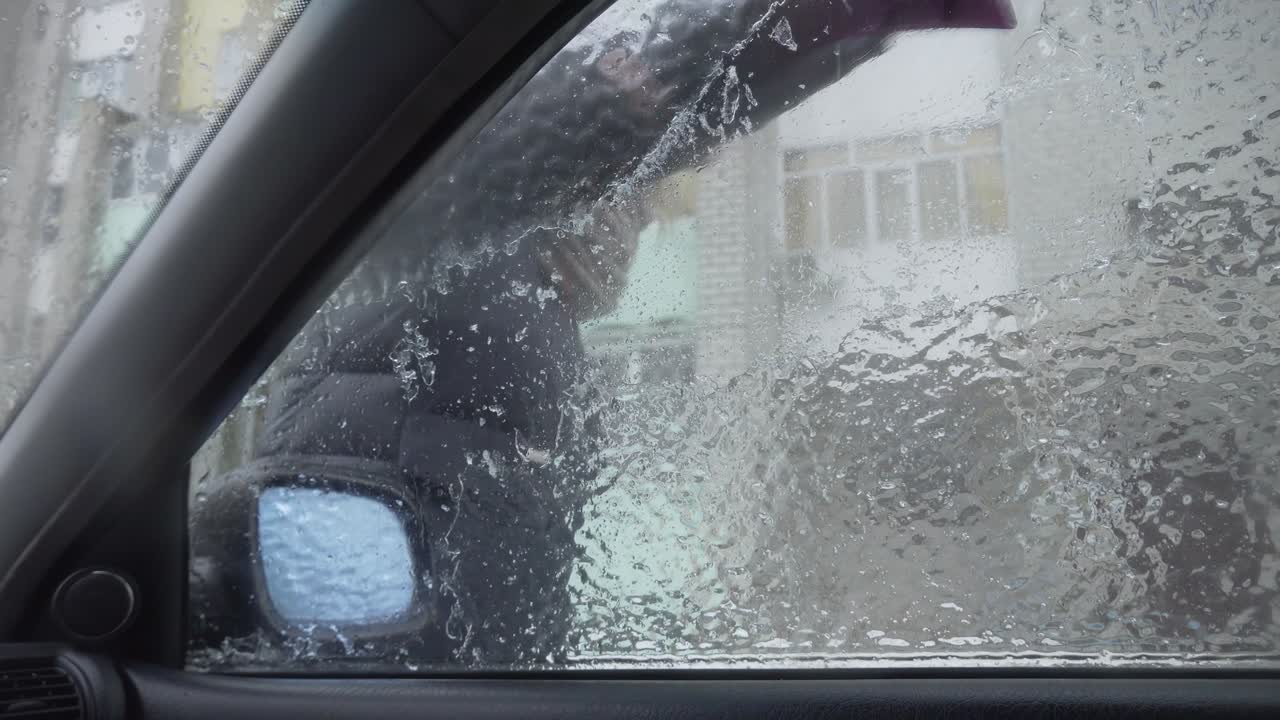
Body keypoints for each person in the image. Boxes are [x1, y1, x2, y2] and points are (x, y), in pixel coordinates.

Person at [247, 0, 1017, 665]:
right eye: (634, 200)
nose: (642, 221)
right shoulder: (461, 257)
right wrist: (824, 21)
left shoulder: (511, 311)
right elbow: (510, 146)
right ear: (575, 197)